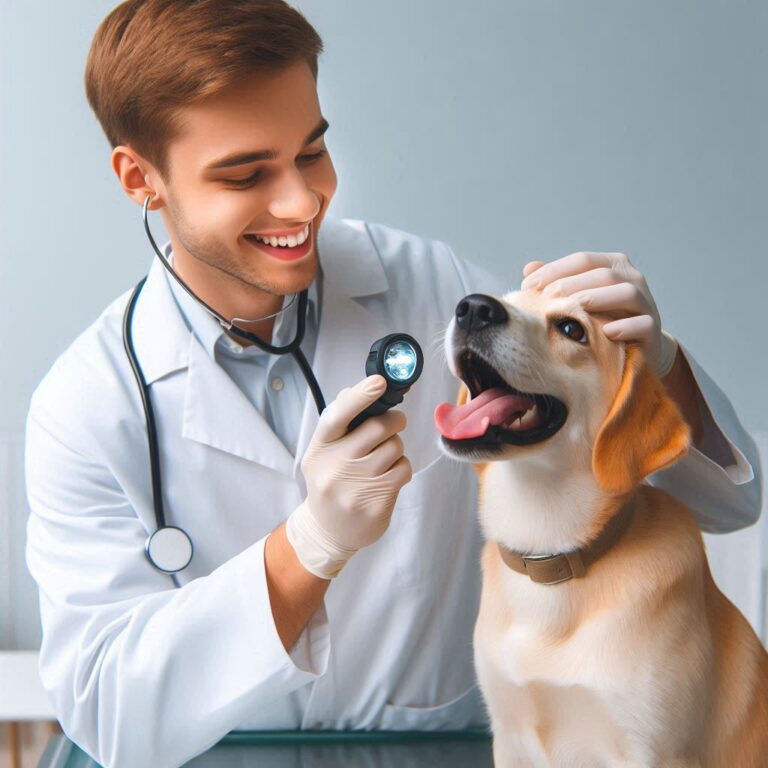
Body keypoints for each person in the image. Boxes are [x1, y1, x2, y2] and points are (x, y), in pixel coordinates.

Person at [24, 1, 762, 766]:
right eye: (245, 174)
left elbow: (728, 503)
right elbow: (106, 713)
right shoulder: (88, 408)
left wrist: (657, 359)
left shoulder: (429, 286)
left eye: (312, 152)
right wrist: (309, 547)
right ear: (140, 178)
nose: (301, 202)